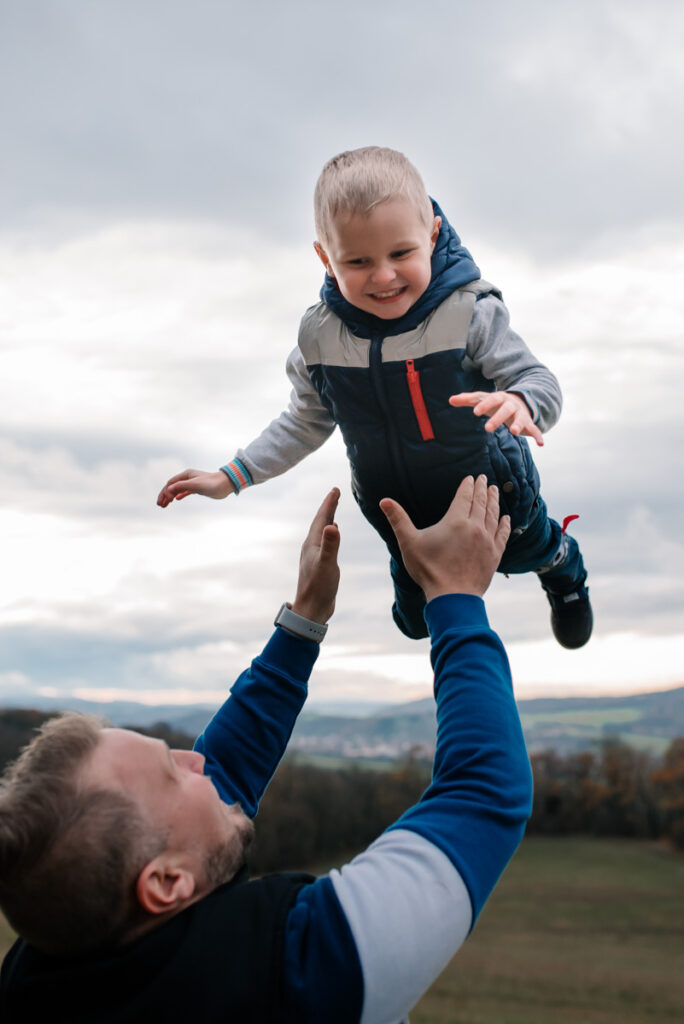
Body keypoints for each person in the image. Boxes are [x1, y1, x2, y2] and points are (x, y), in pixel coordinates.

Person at [0, 476, 532, 1023]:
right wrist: (456, 595)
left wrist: (303, 622)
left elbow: (218, 782)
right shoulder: (298, 975)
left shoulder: (45, 960)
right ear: (165, 883)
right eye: (172, 773)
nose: (196, 759)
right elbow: (484, 791)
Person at [157, 146, 592, 650]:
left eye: (401, 254)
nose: (383, 276)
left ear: (430, 234)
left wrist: (521, 400)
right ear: (325, 257)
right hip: (398, 510)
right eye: (358, 261)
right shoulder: (320, 339)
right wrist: (231, 476)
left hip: (490, 497)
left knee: (526, 551)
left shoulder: (468, 312)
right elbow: (304, 420)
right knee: (415, 625)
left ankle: (565, 570)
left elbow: (537, 379)